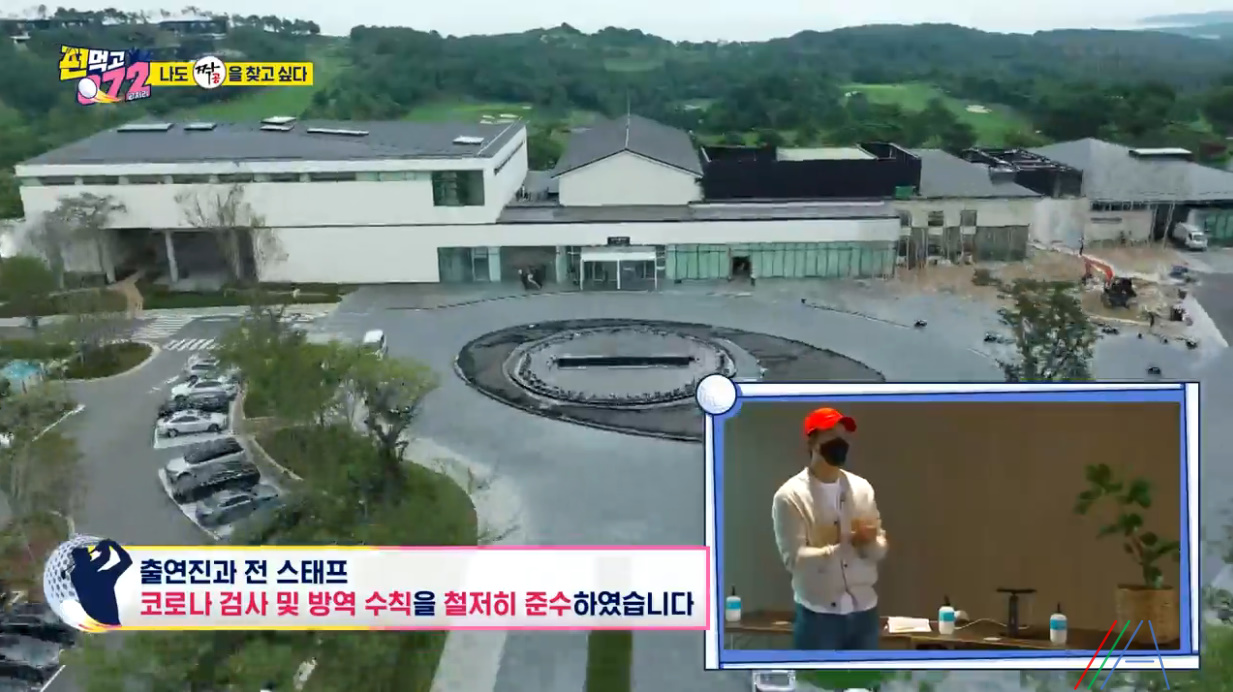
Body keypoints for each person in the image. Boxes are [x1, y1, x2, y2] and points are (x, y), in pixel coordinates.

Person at [772, 407, 888, 650]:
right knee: (817, 676)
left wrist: (870, 543)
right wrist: (839, 547)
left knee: (865, 676)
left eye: (844, 436)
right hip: (819, 618)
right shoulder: (790, 496)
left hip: (865, 615)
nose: (841, 442)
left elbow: (880, 549)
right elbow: (794, 561)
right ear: (812, 442)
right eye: (833, 436)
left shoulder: (862, 488)